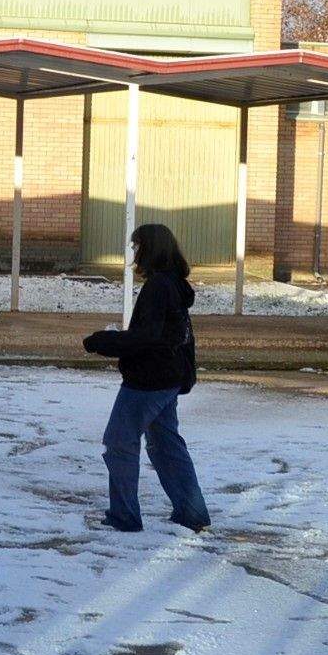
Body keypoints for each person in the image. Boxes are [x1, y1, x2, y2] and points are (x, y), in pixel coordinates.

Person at [81, 223, 208, 535]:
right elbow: (178, 335)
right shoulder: (173, 283)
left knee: (119, 442)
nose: (134, 253)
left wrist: (104, 341)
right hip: (166, 377)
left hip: (149, 380)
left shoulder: (159, 287)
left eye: (137, 247)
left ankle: (124, 516)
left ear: (150, 249)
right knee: (166, 445)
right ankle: (192, 513)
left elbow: (148, 337)